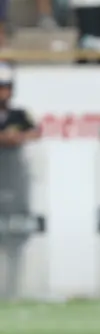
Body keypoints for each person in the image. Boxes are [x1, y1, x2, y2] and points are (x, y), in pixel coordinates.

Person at [0, 61, 42, 299]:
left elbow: (35, 132)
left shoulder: (20, 115)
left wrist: (18, 137)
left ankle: (12, 289)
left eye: (6, 87)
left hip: (15, 184)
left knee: (15, 238)